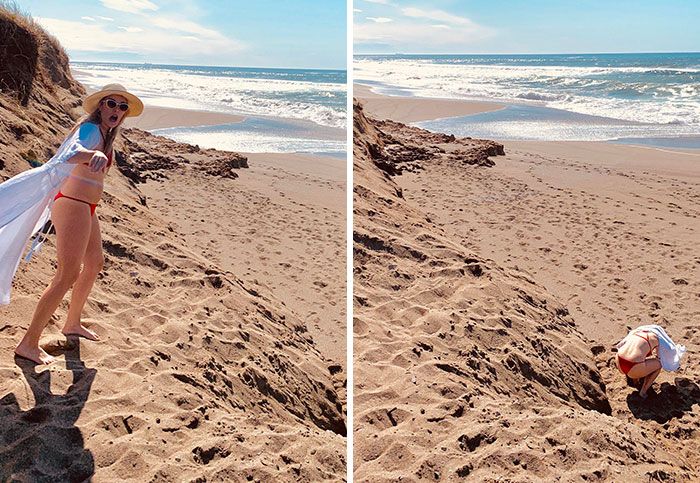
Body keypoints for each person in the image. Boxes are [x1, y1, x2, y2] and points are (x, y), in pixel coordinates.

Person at [0, 83, 144, 364]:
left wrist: (100, 153)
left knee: (95, 263)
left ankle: (72, 323)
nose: (117, 110)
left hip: (87, 207)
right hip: (72, 205)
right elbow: (69, 154)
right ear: (101, 105)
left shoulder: (105, 134)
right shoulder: (90, 130)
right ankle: (28, 343)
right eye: (111, 104)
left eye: (122, 107)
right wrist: (93, 155)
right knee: (67, 274)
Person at [616, 324, 686, 399]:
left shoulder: (636, 332)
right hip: (634, 366)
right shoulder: (656, 339)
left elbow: (621, 345)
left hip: (619, 361)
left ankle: (635, 380)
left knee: (638, 358)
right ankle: (643, 391)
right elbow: (660, 358)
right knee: (659, 364)